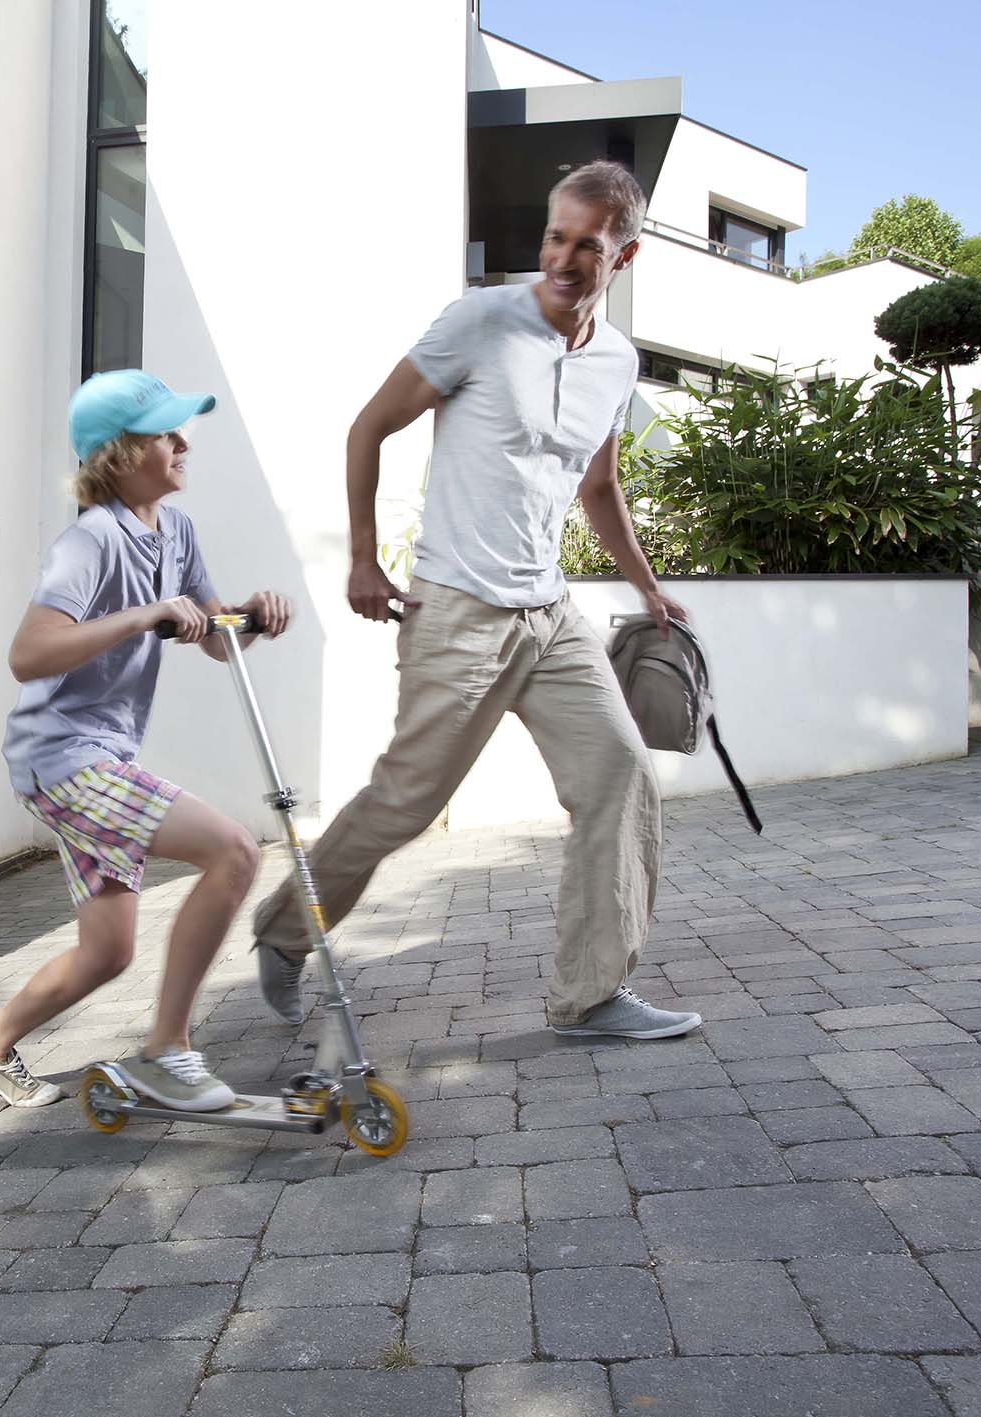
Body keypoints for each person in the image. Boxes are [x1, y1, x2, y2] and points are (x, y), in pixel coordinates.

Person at [250, 160, 701, 1042]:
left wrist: (647, 584)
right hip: (459, 606)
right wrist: (364, 559)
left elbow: (598, 486)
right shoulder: (481, 322)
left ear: (625, 254)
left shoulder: (616, 360)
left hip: (550, 614)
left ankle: (589, 995)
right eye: (555, 237)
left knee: (621, 775)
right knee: (407, 801)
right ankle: (284, 929)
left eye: (588, 246)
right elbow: (369, 427)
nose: (563, 259)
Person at [0, 369, 295, 1110]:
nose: (183, 444)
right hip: (60, 758)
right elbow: (29, 654)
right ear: (119, 452)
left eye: (181, 431)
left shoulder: (178, 532)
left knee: (107, 952)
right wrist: (144, 614)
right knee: (234, 850)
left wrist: (252, 616)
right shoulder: (89, 542)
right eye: (166, 433)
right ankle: (166, 1052)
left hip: (101, 756)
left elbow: (213, 637)